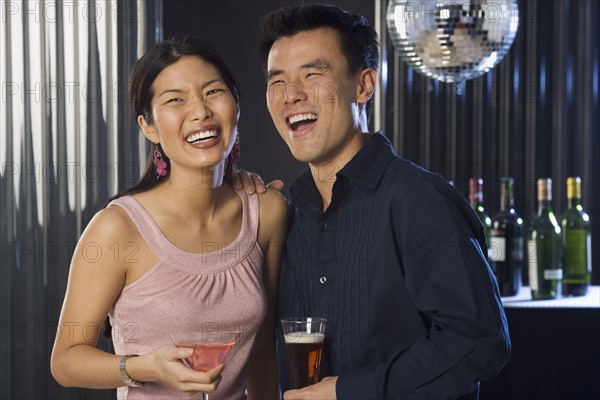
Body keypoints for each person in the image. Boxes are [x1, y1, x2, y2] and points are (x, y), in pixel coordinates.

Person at [257, 4, 511, 399]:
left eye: (312, 74)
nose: (292, 95)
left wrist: (348, 391)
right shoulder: (284, 211)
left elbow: (478, 341)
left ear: (364, 85)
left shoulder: (419, 199)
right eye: (278, 81)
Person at [50, 36, 286, 399]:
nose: (200, 111)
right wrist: (144, 367)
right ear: (149, 126)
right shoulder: (117, 229)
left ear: (236, 105)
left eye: (213, 92)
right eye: (176, 99)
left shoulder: (267, 211)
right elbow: (65, 362)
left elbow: (264, 350)